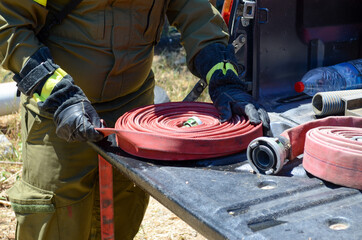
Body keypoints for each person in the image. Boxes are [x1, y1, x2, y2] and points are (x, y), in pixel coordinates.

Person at [0, 0, 270, 239]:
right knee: (57, 219)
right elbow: (9, 22)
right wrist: (58, 93)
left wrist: (223, 78)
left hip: (135, 118)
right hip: (58, 115)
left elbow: (196, 13)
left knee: (123, 214)